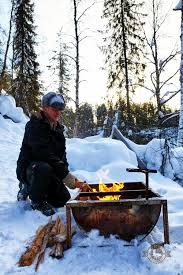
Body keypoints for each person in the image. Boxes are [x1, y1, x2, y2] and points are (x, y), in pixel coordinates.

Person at [16, 91, 92, 216]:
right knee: (43, 168)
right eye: (54, 109)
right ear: (45, 108)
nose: (58, 112)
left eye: (60, 109)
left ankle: (41, 190)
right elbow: (43, 154)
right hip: (31, 169)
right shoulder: (34, 126)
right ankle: (34, 197)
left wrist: (63, 176)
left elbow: (62, 157)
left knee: (62, 199)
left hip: (49, 169)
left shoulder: (58, 130)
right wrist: (70, 179)